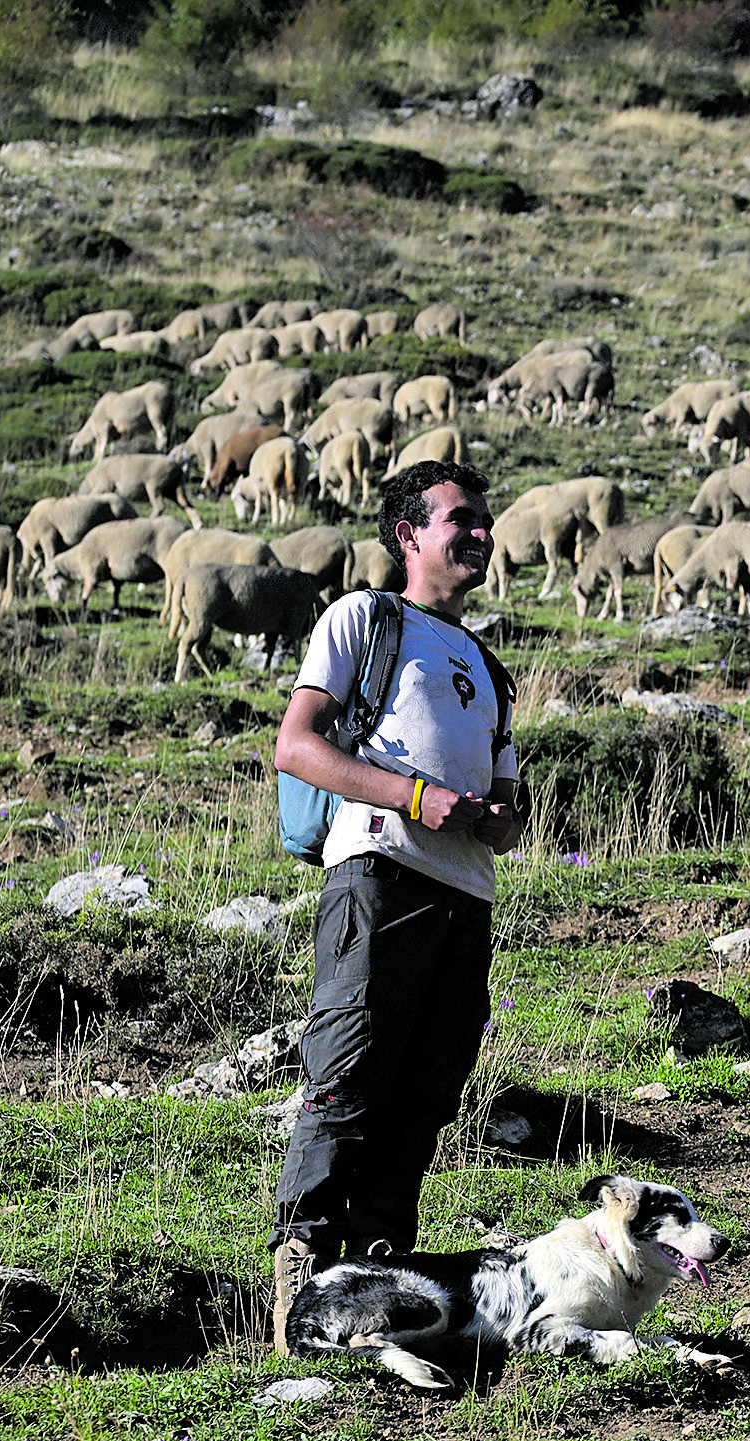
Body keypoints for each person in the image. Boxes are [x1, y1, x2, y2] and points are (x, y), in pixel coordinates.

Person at [267, 459, 527, 1353]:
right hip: (379, 872)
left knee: (426, 1091)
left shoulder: (489, 665)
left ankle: (378, 1277)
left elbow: (506, 810)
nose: (481, 533)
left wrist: (495, 818)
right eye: (462, 518)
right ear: (410, 534)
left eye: (484, 519)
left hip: (467, 895)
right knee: (348, 1073)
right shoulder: (363, 619)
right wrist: (416, 799)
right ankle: (300, 1273)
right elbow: (297, 747)